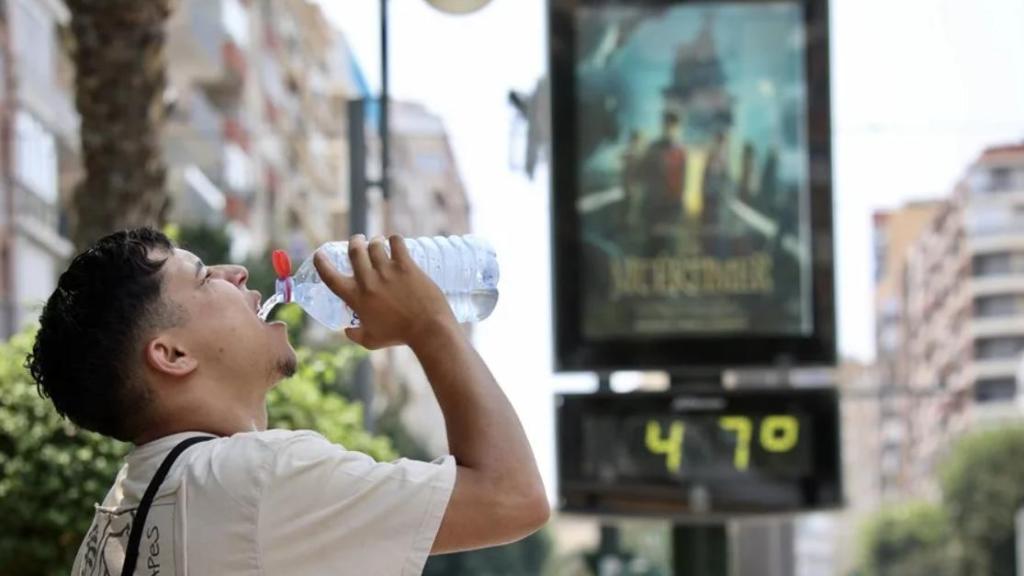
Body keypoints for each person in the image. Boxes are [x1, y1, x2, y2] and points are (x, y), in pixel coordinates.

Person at [27, 228, 549, 575]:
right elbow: (514, 498)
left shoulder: (108, 527)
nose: (237, 272)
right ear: (172, 354)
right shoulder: (256, 480)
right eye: (205, 277)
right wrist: (429, 324)